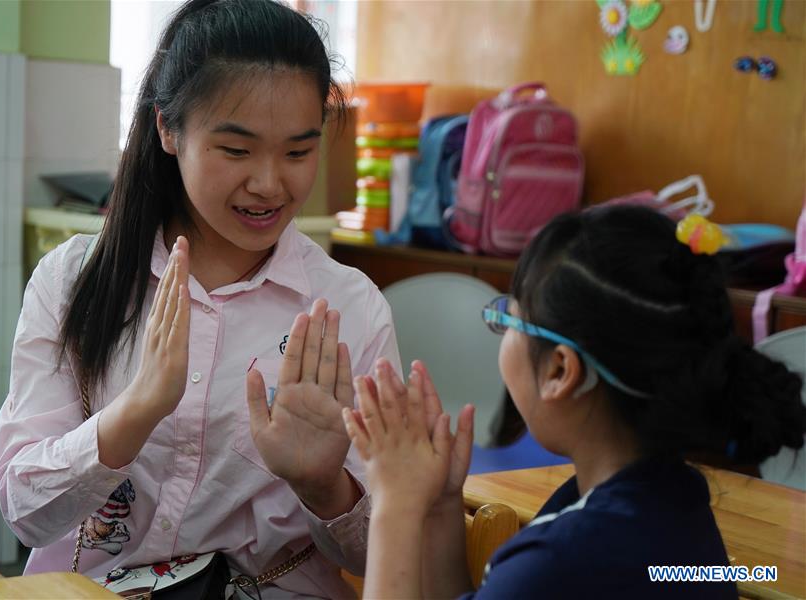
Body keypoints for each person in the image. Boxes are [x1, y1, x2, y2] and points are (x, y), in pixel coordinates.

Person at [0, 1, 400, 597]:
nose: (269, 183)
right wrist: (138, 409)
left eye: (298, 152)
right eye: (236, 151)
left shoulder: (347, 306)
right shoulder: (74, 278)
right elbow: (24, 510)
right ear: (167, 128)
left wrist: (323, 485)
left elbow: (375, 555)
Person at [343, 206, 806, 599]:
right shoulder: (673, 499)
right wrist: (444, 506)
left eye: (511, 319)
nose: (503, 334)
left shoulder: (560, 560)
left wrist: (395, 504)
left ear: (561, 371)